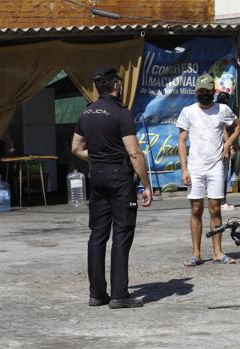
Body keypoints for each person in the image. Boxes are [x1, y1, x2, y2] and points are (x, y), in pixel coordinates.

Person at [71, 66, 153, 309]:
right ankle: (119, 295)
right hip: (119, 178)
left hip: (96, 175)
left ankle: (97, 294)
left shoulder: (87, 113)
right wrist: (147, 186)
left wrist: (97, 158)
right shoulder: (120, 113)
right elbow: (135, 154)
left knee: (97, 235)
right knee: (122, 234)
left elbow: (76, 148)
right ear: (116, 87)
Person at [177, 73, 240, 267]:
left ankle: (218, 252)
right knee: (196, 209)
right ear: (196, 92)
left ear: (214, 92)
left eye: (208, 91)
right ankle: (196, 254)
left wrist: (228, 144)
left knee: (215, 209)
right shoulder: (188, 111)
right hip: (195, 167)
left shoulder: (222, 109)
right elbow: (181, 141)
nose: (204, 94)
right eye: (201, 91)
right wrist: (184, 169)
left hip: (216, 166)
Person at [217, 91, 239, 211]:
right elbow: (224, 131)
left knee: (219, 175)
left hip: (217, 147)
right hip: (223, 149)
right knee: (223, 176)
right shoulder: (224, 109)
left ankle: (219, 201)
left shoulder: (214, 109)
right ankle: (222, 202)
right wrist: (229, 146)